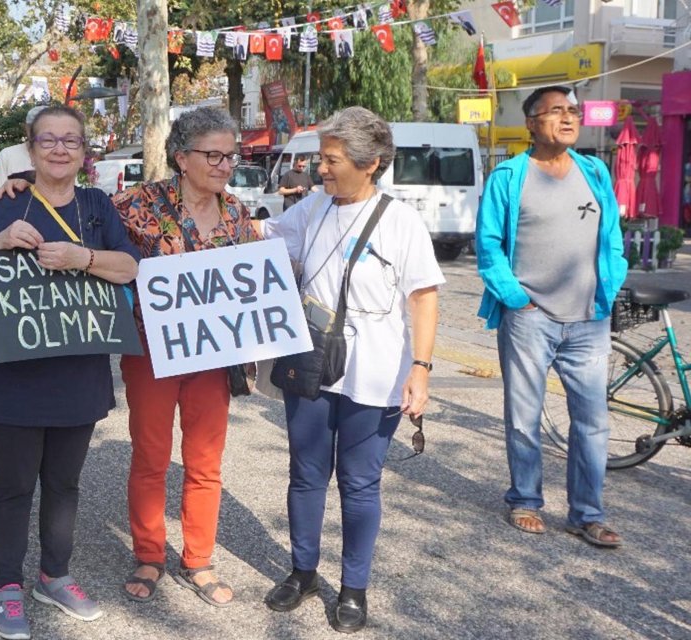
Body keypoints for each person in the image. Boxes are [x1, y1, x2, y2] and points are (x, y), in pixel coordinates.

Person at [260, 107, 442, 633]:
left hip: (376, 370)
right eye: (321, 158)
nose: (320, 169)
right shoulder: (313, 207)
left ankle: (353, 588)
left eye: (332, 160)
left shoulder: (402, 222)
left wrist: (421, 369)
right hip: (311, 360)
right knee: (306, 472)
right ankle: (303, 572)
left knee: (360, 483)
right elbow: (266, 237)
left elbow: (424, 298)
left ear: (370, 163)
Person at [0, 104, 139, 640]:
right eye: (49, 140)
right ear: (31, 147)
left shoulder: (97, 206)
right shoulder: (7, 204)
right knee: (14, 485)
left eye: (71, 140)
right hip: (12, 375)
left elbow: (129, 266)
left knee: (64, 483)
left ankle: (54, 576)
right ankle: (6, 587)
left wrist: (82, 258)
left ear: (85, 151)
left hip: (78, 371)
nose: (60, 149)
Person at [113, 107, 260, 609]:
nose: (225, 165)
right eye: (213, 155)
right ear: (181, 157)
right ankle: (148, 555)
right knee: (151, 457)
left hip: (214, 358)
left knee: (205, 463)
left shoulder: (237, 212)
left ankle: (198, 559)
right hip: (151, 354)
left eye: (231, 156)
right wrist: (22, 184)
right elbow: (79, 216)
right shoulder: (136, 205)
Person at [475, 86, 627, 548]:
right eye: (555, 111)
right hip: (530, 319)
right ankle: (525, 499)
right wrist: (516, 299)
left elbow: (612, 236)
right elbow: (488, 246)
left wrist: (609, 287)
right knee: (524, 416)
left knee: (593, 420)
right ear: (531, 123)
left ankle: (587, 514)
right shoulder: (509, 177)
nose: (568, 118)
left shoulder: (594, 170)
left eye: (573, 111)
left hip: (589, 319)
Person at [0, 105, 47, 197]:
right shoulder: (7, 155)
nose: (38, 132)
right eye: (33, 127)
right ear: (26, 127)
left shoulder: (60, 157)